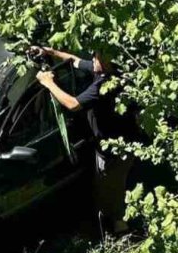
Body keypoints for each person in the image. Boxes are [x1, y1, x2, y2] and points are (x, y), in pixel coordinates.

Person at [31, 44, 138, 237]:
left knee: (110, 188)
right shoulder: (104, 71)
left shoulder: (106, 84)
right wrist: (49, 52)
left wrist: (48, 83)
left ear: (106, 62)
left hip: (115, 150)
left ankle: (118, 226)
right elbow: (74, 60)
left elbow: (73, 105)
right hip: (110, 143)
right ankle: (109, 217)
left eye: (96, 57)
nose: (93, 60)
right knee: (105, 184)